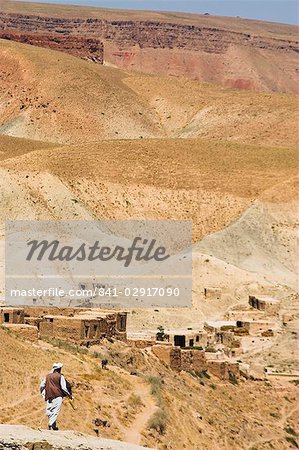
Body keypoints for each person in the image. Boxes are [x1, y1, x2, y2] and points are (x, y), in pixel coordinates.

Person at [40, 363, 72, 431]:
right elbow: (63, 388)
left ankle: (53, 426)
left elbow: (42, 385)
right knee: (55, 411)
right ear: (59, 369)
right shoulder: (60, 376)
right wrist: (69, 395)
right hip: (58, 395)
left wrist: (43, 393)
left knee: (49, 410)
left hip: (49, 395)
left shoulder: (47, 376)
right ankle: (51, 424)